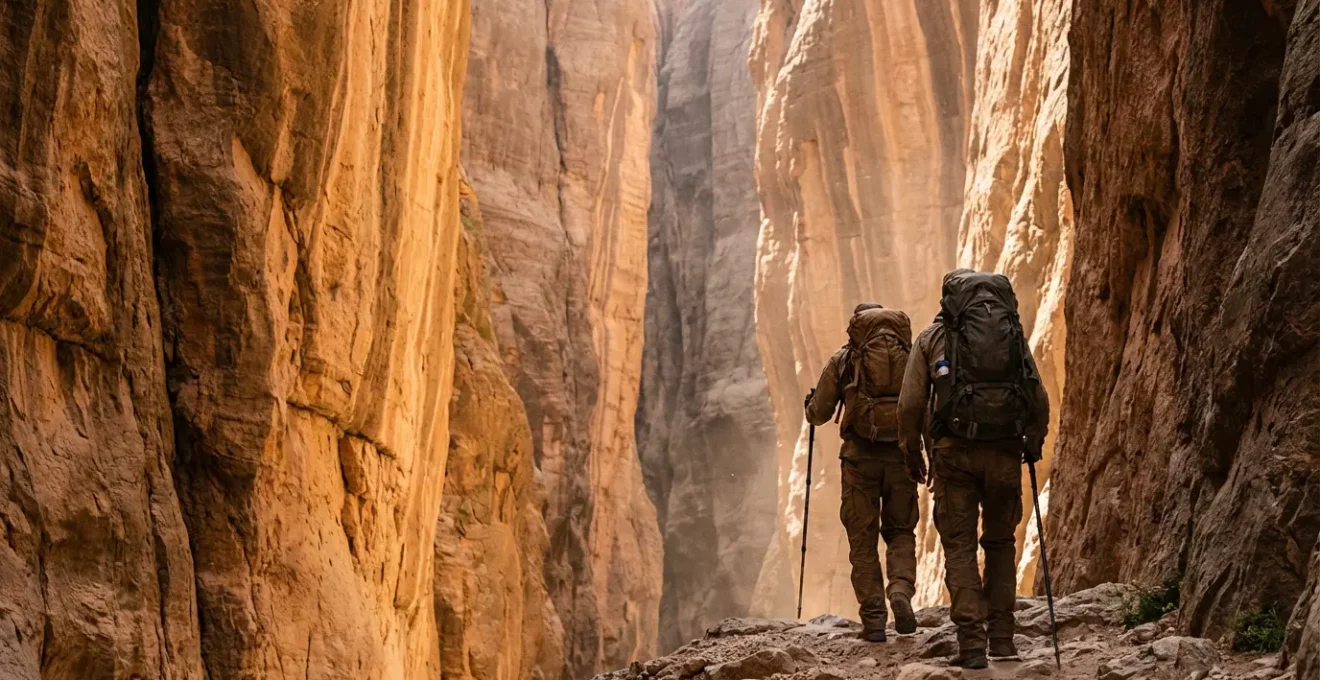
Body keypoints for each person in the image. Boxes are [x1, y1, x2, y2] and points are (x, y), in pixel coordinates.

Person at [897, 269, 1050, 669]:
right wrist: (1033, 441)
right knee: (1000, 543)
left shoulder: (933, 338)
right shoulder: (1011, 335)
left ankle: (970, 643)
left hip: (954, 455)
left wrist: (913, 454)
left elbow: (910, 405)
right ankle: (1002, 638)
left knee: (960, 547)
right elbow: (1037, 395)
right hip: (1003, 452)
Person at [804, 303, 919, 642]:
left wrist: (810, 404)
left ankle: (873, 620)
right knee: (900, 531)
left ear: (855, 328)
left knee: (863, 539)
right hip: (900, 458)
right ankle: (900, 589)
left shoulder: (845, 359)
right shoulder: (910, 356)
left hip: (859, 461)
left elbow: (819, 413)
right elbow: (922, 403)